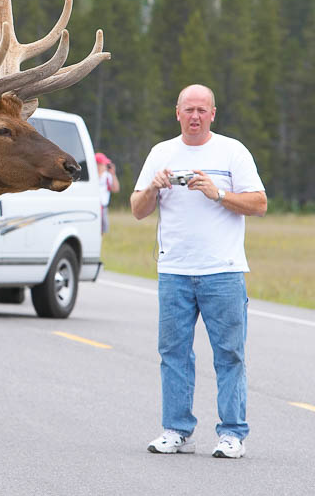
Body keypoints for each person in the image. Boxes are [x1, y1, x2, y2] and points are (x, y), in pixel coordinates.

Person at [129, 84, 267, 459]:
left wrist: (216, 192)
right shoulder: (161, 153)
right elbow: (137, 209)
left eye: (201, 110)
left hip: (222, 270)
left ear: (213, 114)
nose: (194, 116)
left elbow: (259, 203)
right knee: (173, 353)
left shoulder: (231, 151)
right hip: (173, 270)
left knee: (229, 354)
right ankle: (176, 430)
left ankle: (232, 433)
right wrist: (155, 188)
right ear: (177, 112)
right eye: (188, 110)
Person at [96, 152, 120, 233]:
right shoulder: (92, 176)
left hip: (103, 207)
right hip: (94, 206)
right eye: (103, 164)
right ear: (98, 165)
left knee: (103, 230)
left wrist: (113, 174)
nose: (106, 166)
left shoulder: (107, 176)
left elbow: (116, 189)